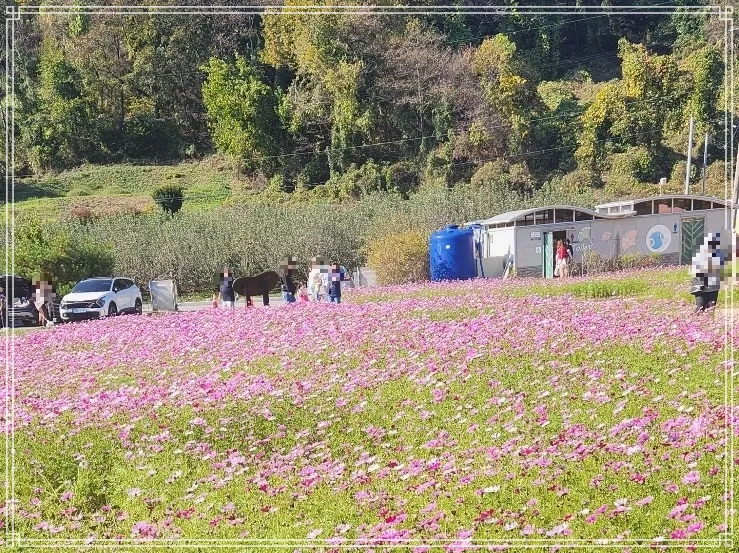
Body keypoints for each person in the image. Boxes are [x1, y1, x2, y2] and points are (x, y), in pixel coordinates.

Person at [690, 233, 724, 313]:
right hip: (700, 285)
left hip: (713, 286)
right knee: (700, 307)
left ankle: (708, 322)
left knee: (711, 308)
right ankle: (695, 323)